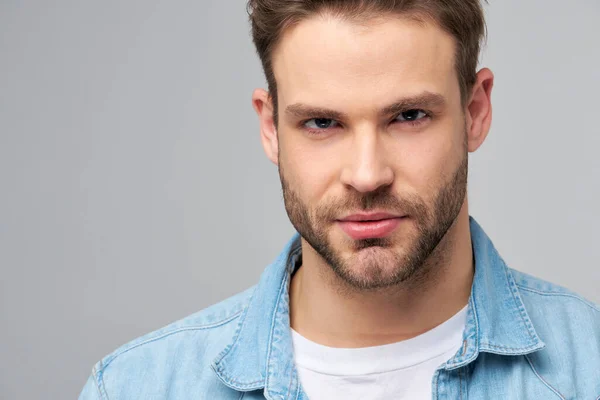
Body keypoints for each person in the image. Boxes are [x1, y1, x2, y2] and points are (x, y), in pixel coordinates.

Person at [79, 0, 600, 399]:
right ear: (271, 128)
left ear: (475, 111)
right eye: (322, 123)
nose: (367, 175)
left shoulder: (589, 367)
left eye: (409, 116)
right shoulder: (136, 387)